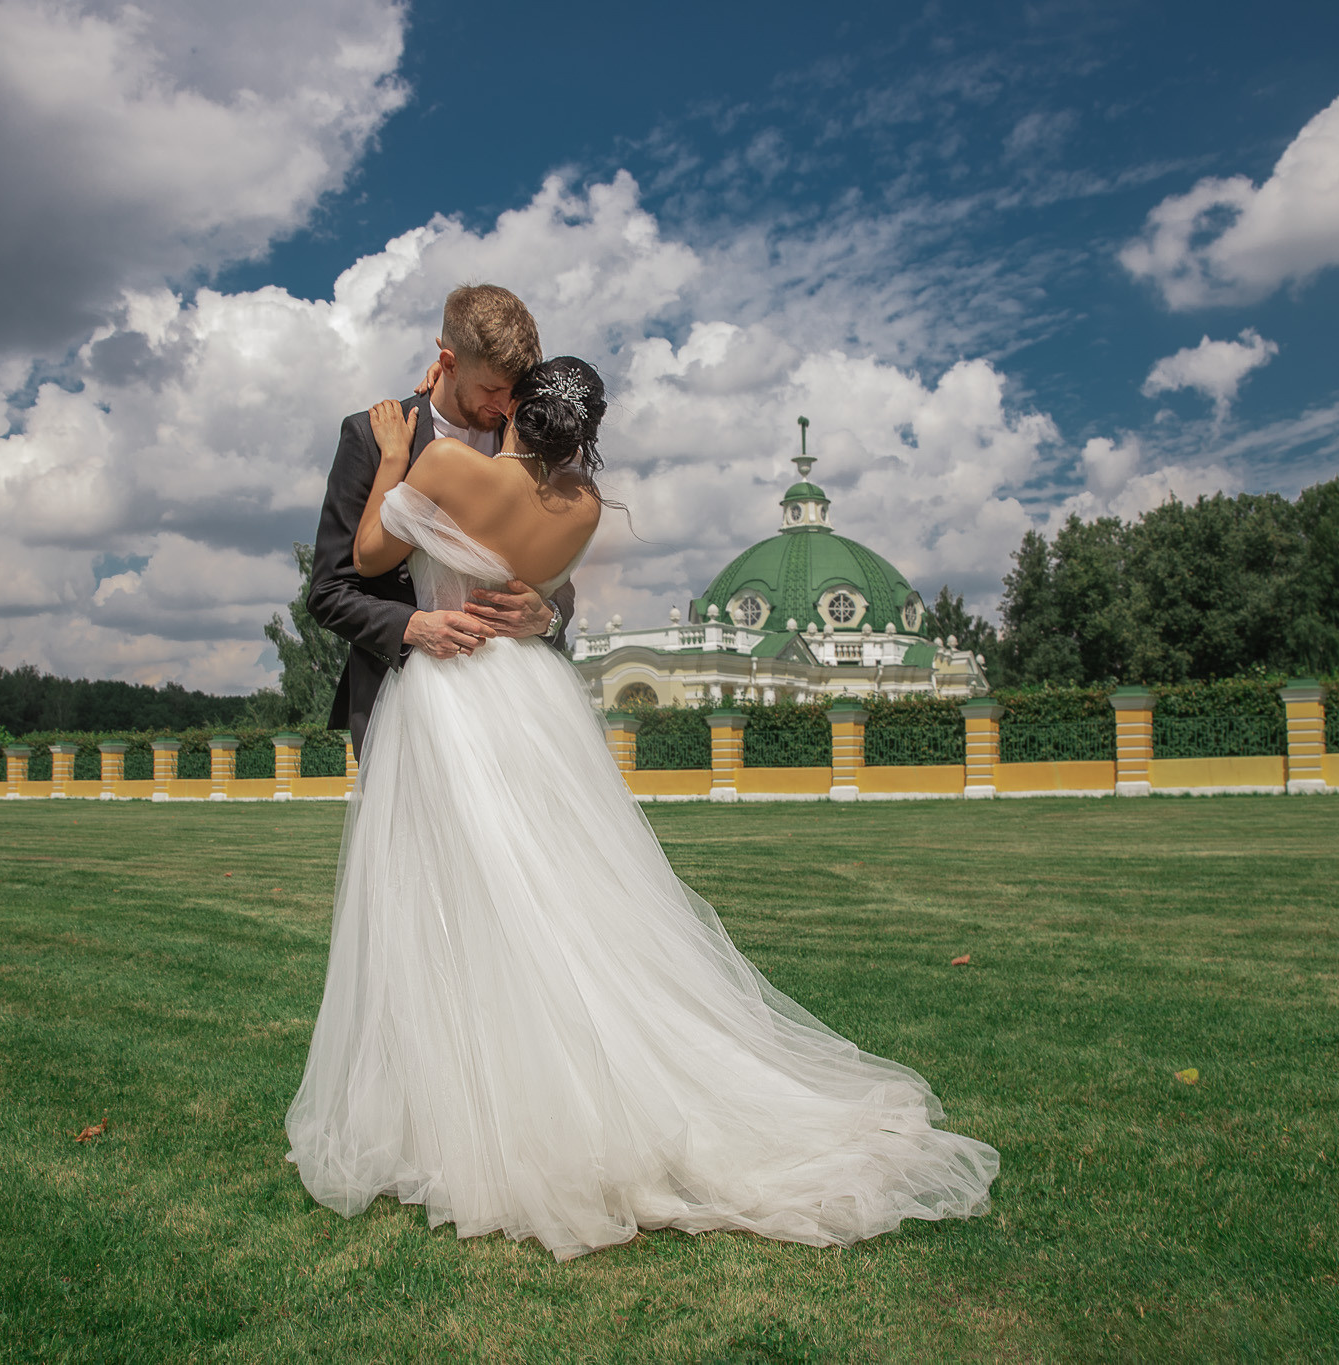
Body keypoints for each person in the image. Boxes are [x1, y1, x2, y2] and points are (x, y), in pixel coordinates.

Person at [283, 355, 1000, 1262]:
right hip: (527, 701)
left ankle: (510, 1115)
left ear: (517, 411)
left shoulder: (437, 462)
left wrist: (404, 474)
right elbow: (357, 588)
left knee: (507, 900)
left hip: (457, 700)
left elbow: (378, 556)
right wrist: (500, 611)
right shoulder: (578, 503)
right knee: (513, 901)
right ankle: (483, 1102)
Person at [305, 284, 575, 754]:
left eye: (515, 391)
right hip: (404, 709)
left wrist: (548, 616)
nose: (505, 406)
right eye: (491, 389)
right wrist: (414, 627)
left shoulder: (532, 442)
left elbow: (556, 573)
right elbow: (329, 592)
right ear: (447, 362)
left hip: (517, 710)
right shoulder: (371, 439)